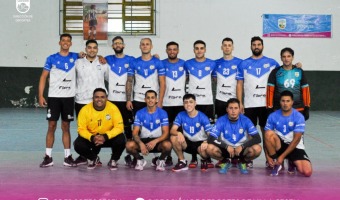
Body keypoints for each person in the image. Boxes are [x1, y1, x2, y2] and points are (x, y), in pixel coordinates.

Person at [236, 36, 280, 167]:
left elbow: (284, 71)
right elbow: (239, 84)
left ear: (262, 46)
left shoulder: (272, 63)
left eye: (259, 44)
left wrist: (296, 66)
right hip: (249, 105)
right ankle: (249, 160)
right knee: (250, 133)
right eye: (254, 44)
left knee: (266, 132)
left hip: (266, 105)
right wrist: (240, 103)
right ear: (251, 47)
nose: (256, 46)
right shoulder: (243, 64)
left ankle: (269, 159)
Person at [38, 33, 79, 168]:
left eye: (68, 40)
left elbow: (89, 56)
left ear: (71, 43)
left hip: (68, 98)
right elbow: (44, 77)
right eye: (63, 40)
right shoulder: (51, 58)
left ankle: (67, 157)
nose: (66, 42)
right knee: (51, 126)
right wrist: (40, 95)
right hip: (54, 97)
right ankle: (48, 156)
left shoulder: (75, 56)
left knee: (66, 127)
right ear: (59, 43)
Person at [73, 88, 126, 170]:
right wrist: (92, 137)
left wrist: (105, 136)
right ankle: (93, 158)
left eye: (102, 97)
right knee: (77, 144)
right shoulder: (85, 110)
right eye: (96, 97)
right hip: (93, 138)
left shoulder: (113, 108)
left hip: (108, 138)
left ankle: (114, 160)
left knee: (121, 139)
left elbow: (119, 127)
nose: (99, 99)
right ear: (93, 98)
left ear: (106, 98)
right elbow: (81, 129)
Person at [206, 98, 262, 174]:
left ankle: (242, 162)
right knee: (209, 148)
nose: (233, 111)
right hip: (226, 149)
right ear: (227, 109)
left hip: (241, 150)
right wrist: (226, 146)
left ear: (239, 109)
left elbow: (257, 138)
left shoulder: (246, 120)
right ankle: (225, 161)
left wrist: (242, 146)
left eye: (236, 108)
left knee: (257, 149)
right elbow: (211, 138)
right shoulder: (221, 120)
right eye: (231, 108)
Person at [264, 90, 312, 177]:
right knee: (268, 133)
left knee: (307, 172)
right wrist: (268, 156)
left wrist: (282, 157)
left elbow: (296, 139)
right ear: (280, 102)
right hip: (280, 145)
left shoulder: (299, 117)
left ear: (292, 102)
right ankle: (277, 163)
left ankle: (291, 161)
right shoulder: (272, 116)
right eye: (283, 101)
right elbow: (266, 138)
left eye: (288, 101)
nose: (285, 103)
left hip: (294, 146)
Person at [184, 40, 216, 168]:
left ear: (205, 49)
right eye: (196, 48)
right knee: (193, 128)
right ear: (193, 50)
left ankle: (206, 157)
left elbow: (215, 80)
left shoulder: (212, 64)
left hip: (207, 102)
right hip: (193, 103)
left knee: (206, 130)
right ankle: (193, 157)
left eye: (201, 48)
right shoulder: (188, 64)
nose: (199, 50)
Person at [105, 36, 135, 166]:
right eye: (115, 43)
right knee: (113, 129)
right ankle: (114, 157)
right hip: (112, 101)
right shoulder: (106, 59)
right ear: (112, 46)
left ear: (124, 45)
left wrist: (156, 57)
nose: (117, 45)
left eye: (120, 43)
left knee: (128, 129)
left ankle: (129, 155)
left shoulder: (131, 60)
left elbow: (144, 62)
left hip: (127, 101)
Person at [125, 90, 172, 171]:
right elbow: (135, 133)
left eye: (153, 98)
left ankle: (160, 160)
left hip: (157, 141)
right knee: (129, 145)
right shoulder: (139, 113)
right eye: (148, 98)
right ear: (145, 100)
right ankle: (140, 159)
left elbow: (166, 133)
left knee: (168, 145)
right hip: (143, 141)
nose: (150, 100)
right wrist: (141, 144)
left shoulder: (163, 113)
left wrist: (155, 141)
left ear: (156, 100)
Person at [170, 94, 213, 172]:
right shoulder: (181, 115)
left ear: (195, 103)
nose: (188, 104)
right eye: (186, 102)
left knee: (205, 149)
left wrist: (206, 142)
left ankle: (205, 159)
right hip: (187, 144)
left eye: (191, 102)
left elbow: (211, 135)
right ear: (183, 104)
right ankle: (182, 161)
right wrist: (179, 133)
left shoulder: (203, 117)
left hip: (200, 144)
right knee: (173, 137)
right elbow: (172, 130)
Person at [267, 47, 311, 120]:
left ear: (292, 57)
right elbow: (270, 91)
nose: (286, 59)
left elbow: (305, 90)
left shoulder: (299, 71)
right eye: (284, 56)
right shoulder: (275, 72)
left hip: (298, 108)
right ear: (281, 58)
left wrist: (307, 107)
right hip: (279, 108)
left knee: (297, 131)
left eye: (289, 56)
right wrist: (269, 108)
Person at [161, 41, 187, 166]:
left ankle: (181, 157)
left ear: (178, 50)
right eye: (169, 49)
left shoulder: (185, 64)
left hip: (180, 105)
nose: (172, 51)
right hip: (166, 104)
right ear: (166, 51)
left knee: (179, 132)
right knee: (166, 131)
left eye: (174, 49)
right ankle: (168, 156)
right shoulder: (161, 63)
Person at [74, 39, 108, 117]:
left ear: (97, 50)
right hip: (81, 100)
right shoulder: (77, 63)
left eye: (94, 48)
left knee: (99, 127)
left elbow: (109, 79)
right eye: (89, 47)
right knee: (82, 127)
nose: (92, 50)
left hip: (99, 101)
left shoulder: (103, 63)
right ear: (85, 49)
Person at [213, 37, 243, 118]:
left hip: (234, 100)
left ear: (232, 47)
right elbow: (215, 80)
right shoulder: (216, 63)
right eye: (225, 45)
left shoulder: (240, 62)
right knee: (220, 124)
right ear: (221, 47)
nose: (227, 47)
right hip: (220, 100)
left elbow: (240, 83)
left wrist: (240, 102)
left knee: (235, 124)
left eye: (229, 45)